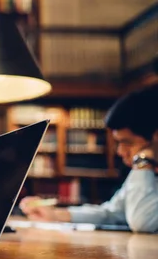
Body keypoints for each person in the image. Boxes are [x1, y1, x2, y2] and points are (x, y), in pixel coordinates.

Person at [20, 84, 158, 233]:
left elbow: (142, 223)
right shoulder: (144, 171)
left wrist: (143, 161)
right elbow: (111, 213)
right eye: (118, 143)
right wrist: (55, 214)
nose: (120, 151)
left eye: (128, 143)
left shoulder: (142, 165)